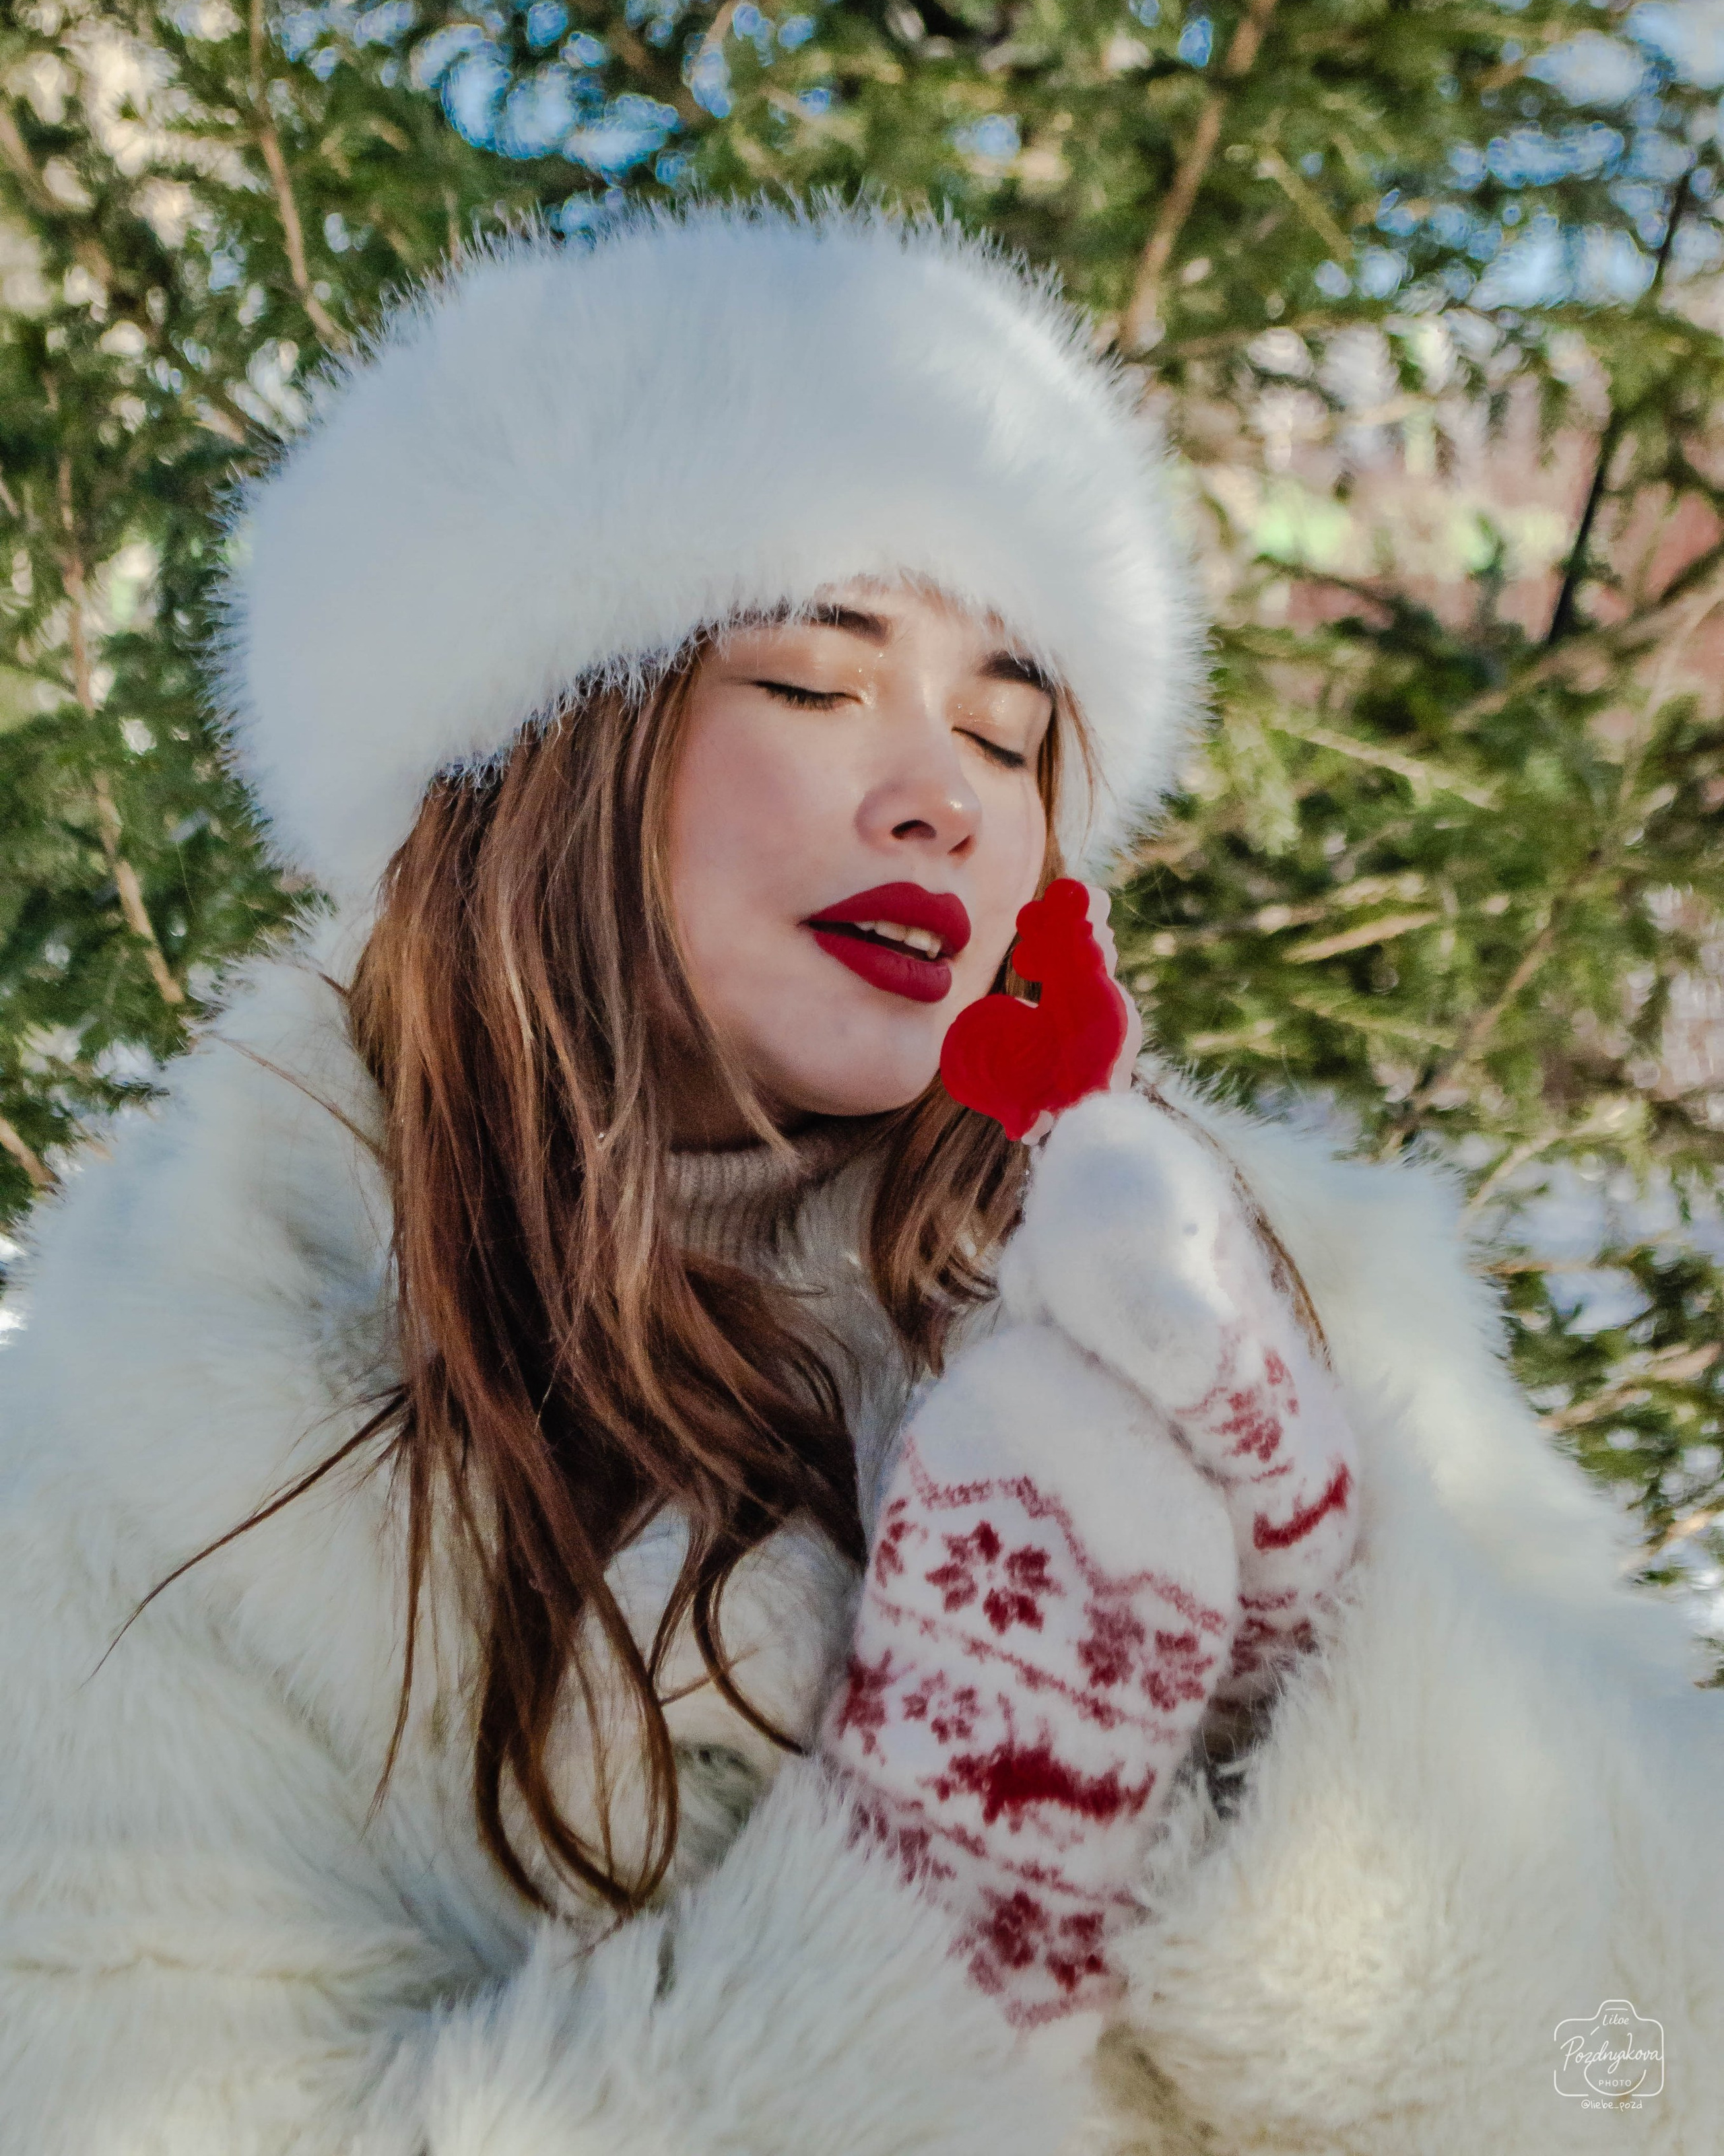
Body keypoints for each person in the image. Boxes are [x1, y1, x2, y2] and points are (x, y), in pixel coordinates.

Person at [0, 204, 1719, 2156]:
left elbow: (1656, 2081)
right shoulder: (161, 1455)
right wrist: (916, 1919)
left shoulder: (1274, 1294)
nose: (948, 792)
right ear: (537, 758)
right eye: (817, 686)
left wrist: (1312, 1684)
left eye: (1009, 725)